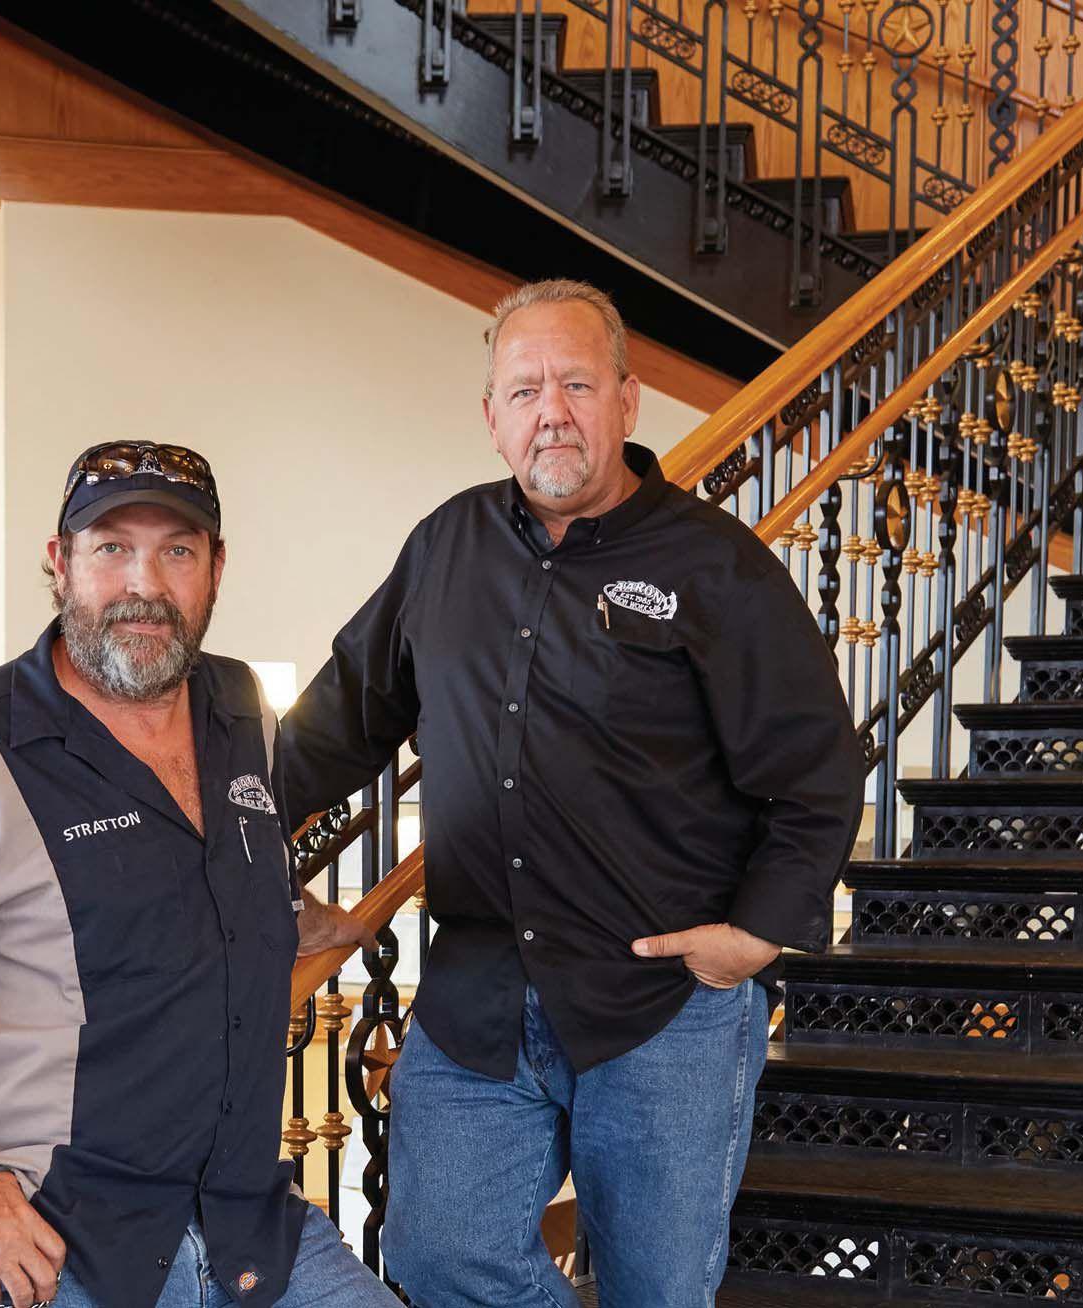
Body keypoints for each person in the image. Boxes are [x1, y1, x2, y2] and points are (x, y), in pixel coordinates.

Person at [277, 280, 866, 1307]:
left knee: (656, 1289)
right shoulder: (445, 546)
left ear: (627, 401)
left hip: (663, 1004)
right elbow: (336, 723)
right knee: (436, 1253)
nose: (550, 411)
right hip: (476, 994)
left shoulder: (717, 567)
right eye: (524, 390)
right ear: (491, 416)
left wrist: (755, 935)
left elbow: (814, 769)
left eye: (577, 384)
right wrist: (221, 838)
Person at [0, 441, 388, 1308]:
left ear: (216, 569)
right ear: (59, 564)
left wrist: (321, 920)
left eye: (177, 551)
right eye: (111, 548)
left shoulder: (243, 709)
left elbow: (220, 876)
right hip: (51, 1241)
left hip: (245, 1227)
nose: (144, 584)